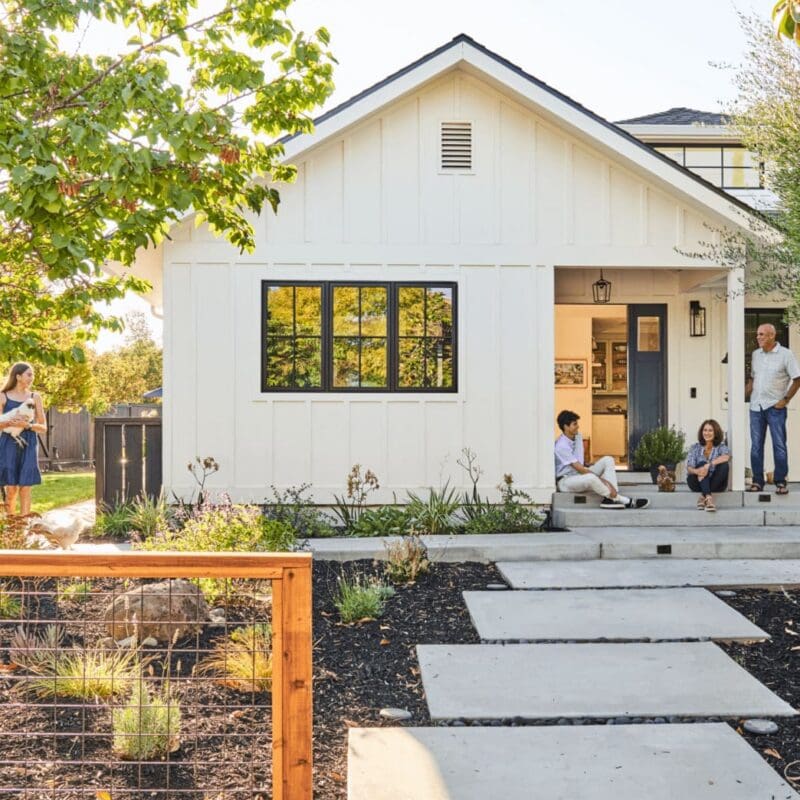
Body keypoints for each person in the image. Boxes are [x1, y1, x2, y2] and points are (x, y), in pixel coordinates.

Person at [554, 410, 649, 508]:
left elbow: (582, 463)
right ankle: (624, 500)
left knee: (608, 459)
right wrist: (604, 481)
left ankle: (609, 498)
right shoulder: (561, 446)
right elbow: (580, 469)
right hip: (566, 481)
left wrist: (592, 468)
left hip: (580, 475)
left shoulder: (577, 437)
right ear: (566, 426)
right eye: (574, 424)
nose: (578, 426)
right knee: (591, 477)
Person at [745, 323, 800, 495]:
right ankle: (757, 481)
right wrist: (742, 395)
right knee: (756, 446)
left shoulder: (786, 355)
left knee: (779, 445)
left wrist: (785, 400)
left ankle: (780, 481)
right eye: (758, 334)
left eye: (761, 334)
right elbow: (753, 380)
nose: (758, 337)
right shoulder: (756, 355)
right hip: (756, 406)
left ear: (771, 336)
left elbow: (797, 379)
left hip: (775, 407)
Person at [0, 362, 46, 516]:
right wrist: (10, 422)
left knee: (25, 487)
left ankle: (24, 531)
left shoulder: (35, 397)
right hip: (8, 443)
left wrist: (26, 425)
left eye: (32, 374)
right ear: (18, 376)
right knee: (11, 488)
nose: (32, 377)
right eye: (29, 374)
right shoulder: (3, 396)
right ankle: (11, 527)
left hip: (28, 442)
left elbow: (43, 427)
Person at [686, 419, 730, 512]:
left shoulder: (721, 447)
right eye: (705, 430)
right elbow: (689, 467)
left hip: (717, 483)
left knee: (724, 465)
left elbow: (726, 457)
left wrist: (708, 465)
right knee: (701, 464)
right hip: (696, 483)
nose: (707, 433)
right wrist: (697, 471)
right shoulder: (695, 447)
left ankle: (704, 496)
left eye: (710, 430)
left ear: (716, 432)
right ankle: (709, 498)